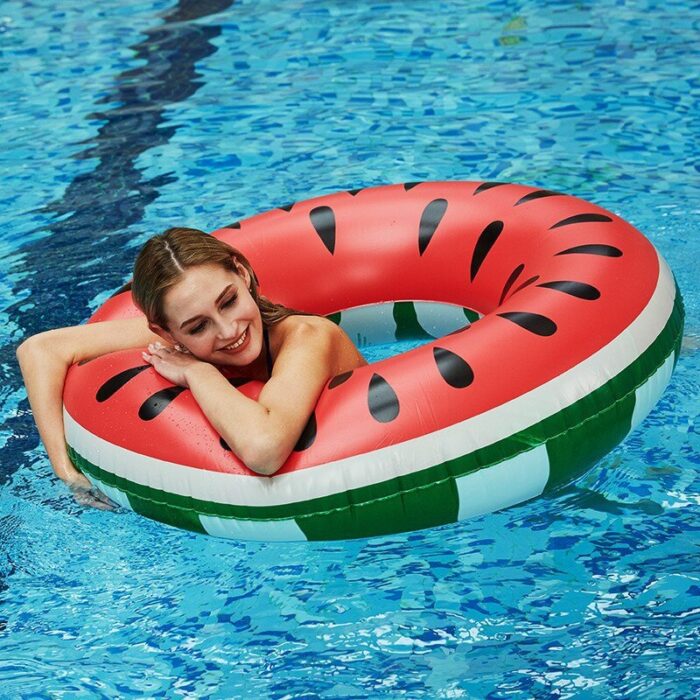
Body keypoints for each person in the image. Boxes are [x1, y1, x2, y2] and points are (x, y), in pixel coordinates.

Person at [16, 227, 367, 509]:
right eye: (198, 327)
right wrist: (66, 471)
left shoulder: (310, 336)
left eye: (229, 302)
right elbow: (39, 350)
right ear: (165, 332)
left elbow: (264, 450)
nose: (229, 331)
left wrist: (199, 373)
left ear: (242, 274)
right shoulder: (174, 339)